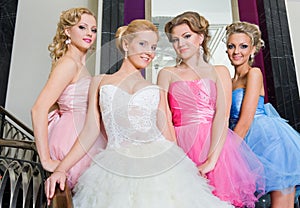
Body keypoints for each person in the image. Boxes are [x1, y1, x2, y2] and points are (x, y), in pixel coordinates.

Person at [44, 19, 234, 208]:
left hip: (159, 165)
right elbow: (89, 131)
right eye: (142, 44)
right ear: (126, 44)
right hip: (114, 165)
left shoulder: (156, 88)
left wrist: (187, 171)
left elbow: (168, 135)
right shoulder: (100, 81)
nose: (149, 52)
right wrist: (61, 169)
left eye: (153, 47)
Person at [157, 11, 265, 207]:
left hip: (215, 147)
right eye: (175, 39)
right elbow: (164, 117)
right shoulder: (166, 73)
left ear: (201, 37)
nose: (180, 44)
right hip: (179, 145)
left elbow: (222, 116)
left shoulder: (220, 71)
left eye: (187, 36)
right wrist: (175, 156)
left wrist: (212, 160)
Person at [226, 21, 300, 208]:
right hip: (240, 138)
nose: (237, 51)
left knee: (281, 203)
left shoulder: (254, 73)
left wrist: (227, 154)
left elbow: (246, 119)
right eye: (231, 46)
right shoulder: (229, 80)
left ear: (252, 50)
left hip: (266, 140)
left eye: (243, 46)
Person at [31, 7, 106, 189]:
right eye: (82, 27)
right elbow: (38, 109)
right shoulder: (68, 64)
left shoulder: (79, 64)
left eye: (93, 29)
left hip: (84, 135)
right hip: (71, 138)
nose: (89, 33)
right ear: (67, 31)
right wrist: (46, 159)